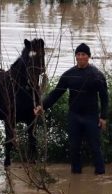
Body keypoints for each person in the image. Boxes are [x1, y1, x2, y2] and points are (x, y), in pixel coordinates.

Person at [34, 43, 109, 174]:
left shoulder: (97, 75)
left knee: (95, 148)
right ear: (75, 56)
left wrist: (103, 117)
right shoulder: (69, 75)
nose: (80, 57)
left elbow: (104, 98)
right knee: (74, 148)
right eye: (78, 54)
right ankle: (76, 176)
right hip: (74, 116)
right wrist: (42, 106)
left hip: (91, 116)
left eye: (83, 54)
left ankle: (100, 175)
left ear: (88, 57)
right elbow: (56, 93)